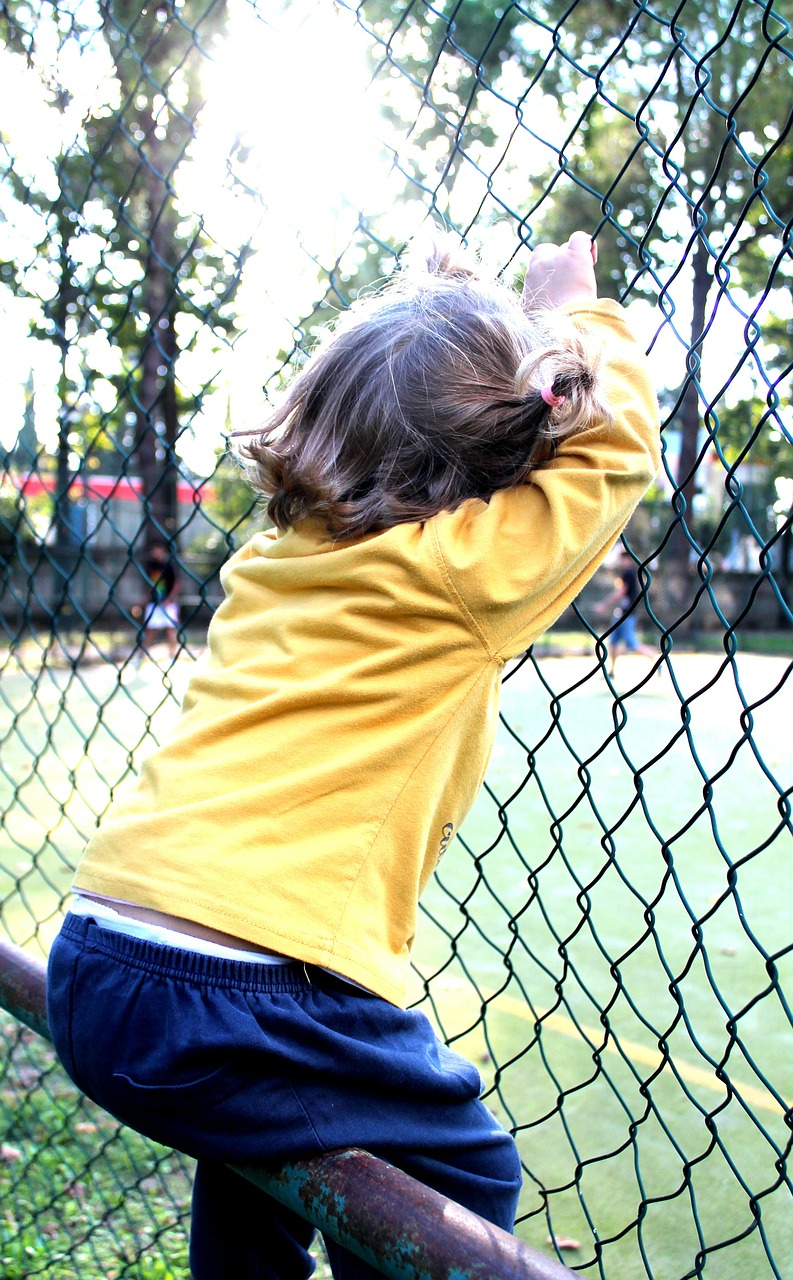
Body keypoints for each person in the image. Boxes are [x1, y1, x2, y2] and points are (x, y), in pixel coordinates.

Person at [46, 230, 661, 1280]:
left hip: (98, 962)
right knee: (462, 1170)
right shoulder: (457, 571)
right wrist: (573, 317)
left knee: (263, 1138)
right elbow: (617, 458)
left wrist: (457, 320)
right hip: (237, 987)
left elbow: (403, 397)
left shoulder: (277, 561)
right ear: (499, 456)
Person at [600, 548, 656, 677]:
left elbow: (621, 593)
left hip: (628, 615)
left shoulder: (629, 573)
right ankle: (611, 671)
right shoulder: (625, 573)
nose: (621, 561)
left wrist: (604, 604)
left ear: (628, 559)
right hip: (621, 613)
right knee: (613, 642)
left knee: (631, 642)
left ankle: (654, 660)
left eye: (623, 558)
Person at [140, 540, 180, 659]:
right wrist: (145, 599)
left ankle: (172, 657)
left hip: (168, 604)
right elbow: (148, 584)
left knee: (170, 630)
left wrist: (169, 599)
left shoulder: (169, 565)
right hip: (154, 603)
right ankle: (140, 656)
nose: (156, 552)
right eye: (154, 550)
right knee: (150, 631)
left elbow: (177, 584)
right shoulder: (150, 565)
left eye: (158, 549)